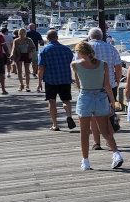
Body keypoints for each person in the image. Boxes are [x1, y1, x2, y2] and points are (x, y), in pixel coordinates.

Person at [71, 41, 122, 170]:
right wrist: (112, 102)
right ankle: (116, 154)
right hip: (101, 97)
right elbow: (107, 85)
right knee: (105, 131)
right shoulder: (103, 64)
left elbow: (78, 84)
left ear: (80, 52)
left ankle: (86, 162)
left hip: (85, 97)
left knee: (84, 133)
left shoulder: (75, 65)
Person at [86, 27, 123, 149]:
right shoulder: (111, 48)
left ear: (89, 37)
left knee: (92, 115)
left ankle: (97, 142)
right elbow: (118, 67)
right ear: (102, 37)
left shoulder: (85, 49)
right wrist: (117, 81)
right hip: (110, 86)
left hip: (90, 87)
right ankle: (109, 139)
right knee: (109, 113)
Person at [37, 29, 76, 132]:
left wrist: (39, 82)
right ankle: (68, 115)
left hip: (51, 80)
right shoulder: (66, 49)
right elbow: (71, 61)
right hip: (65, 78)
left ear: (47, 38)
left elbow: (41, 68)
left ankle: (55, 124)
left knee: (52, 101)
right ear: (57, 37)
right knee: (66, 100)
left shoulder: (44, 50)